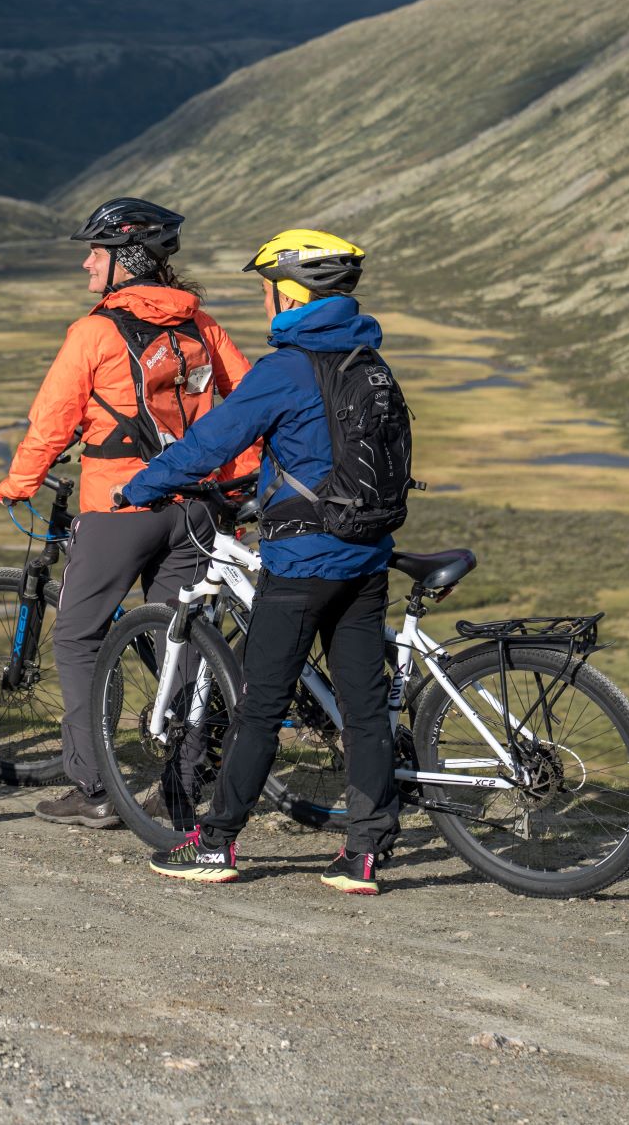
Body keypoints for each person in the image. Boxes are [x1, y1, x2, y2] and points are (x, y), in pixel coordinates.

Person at [115, 229, 399, 894]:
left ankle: (215, 845)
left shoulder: (287, 367)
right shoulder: (368, 359)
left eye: (267, 287)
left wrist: (142, 486)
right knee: (362, 711)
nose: (265, 299)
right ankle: (362, 854)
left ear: (290, 291)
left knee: (259, 706)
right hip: (365, 554)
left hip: (302, 561)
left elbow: (211, 439)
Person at [0, 197, 255, 829]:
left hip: (118, 506)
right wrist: (241, 481)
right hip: (196, 511)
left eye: (96, 252)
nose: (87, 263)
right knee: (183, 641)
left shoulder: (94, 332)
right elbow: (249, 405)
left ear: (125, 260)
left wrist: (18, 483)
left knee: (81, 637)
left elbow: (53, 419)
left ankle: (93, 788)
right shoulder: (201, 326)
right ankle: (179, 788)